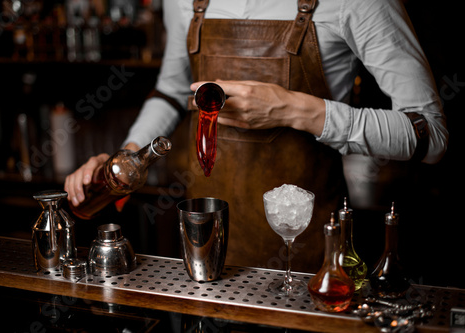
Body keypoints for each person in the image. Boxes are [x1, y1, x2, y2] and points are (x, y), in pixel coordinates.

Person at [64, 0, 448, 273]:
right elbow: (172, 91)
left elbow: (430, 135)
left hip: (307, 257)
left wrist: (294, 110)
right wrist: (127, 156)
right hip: (204, 250)